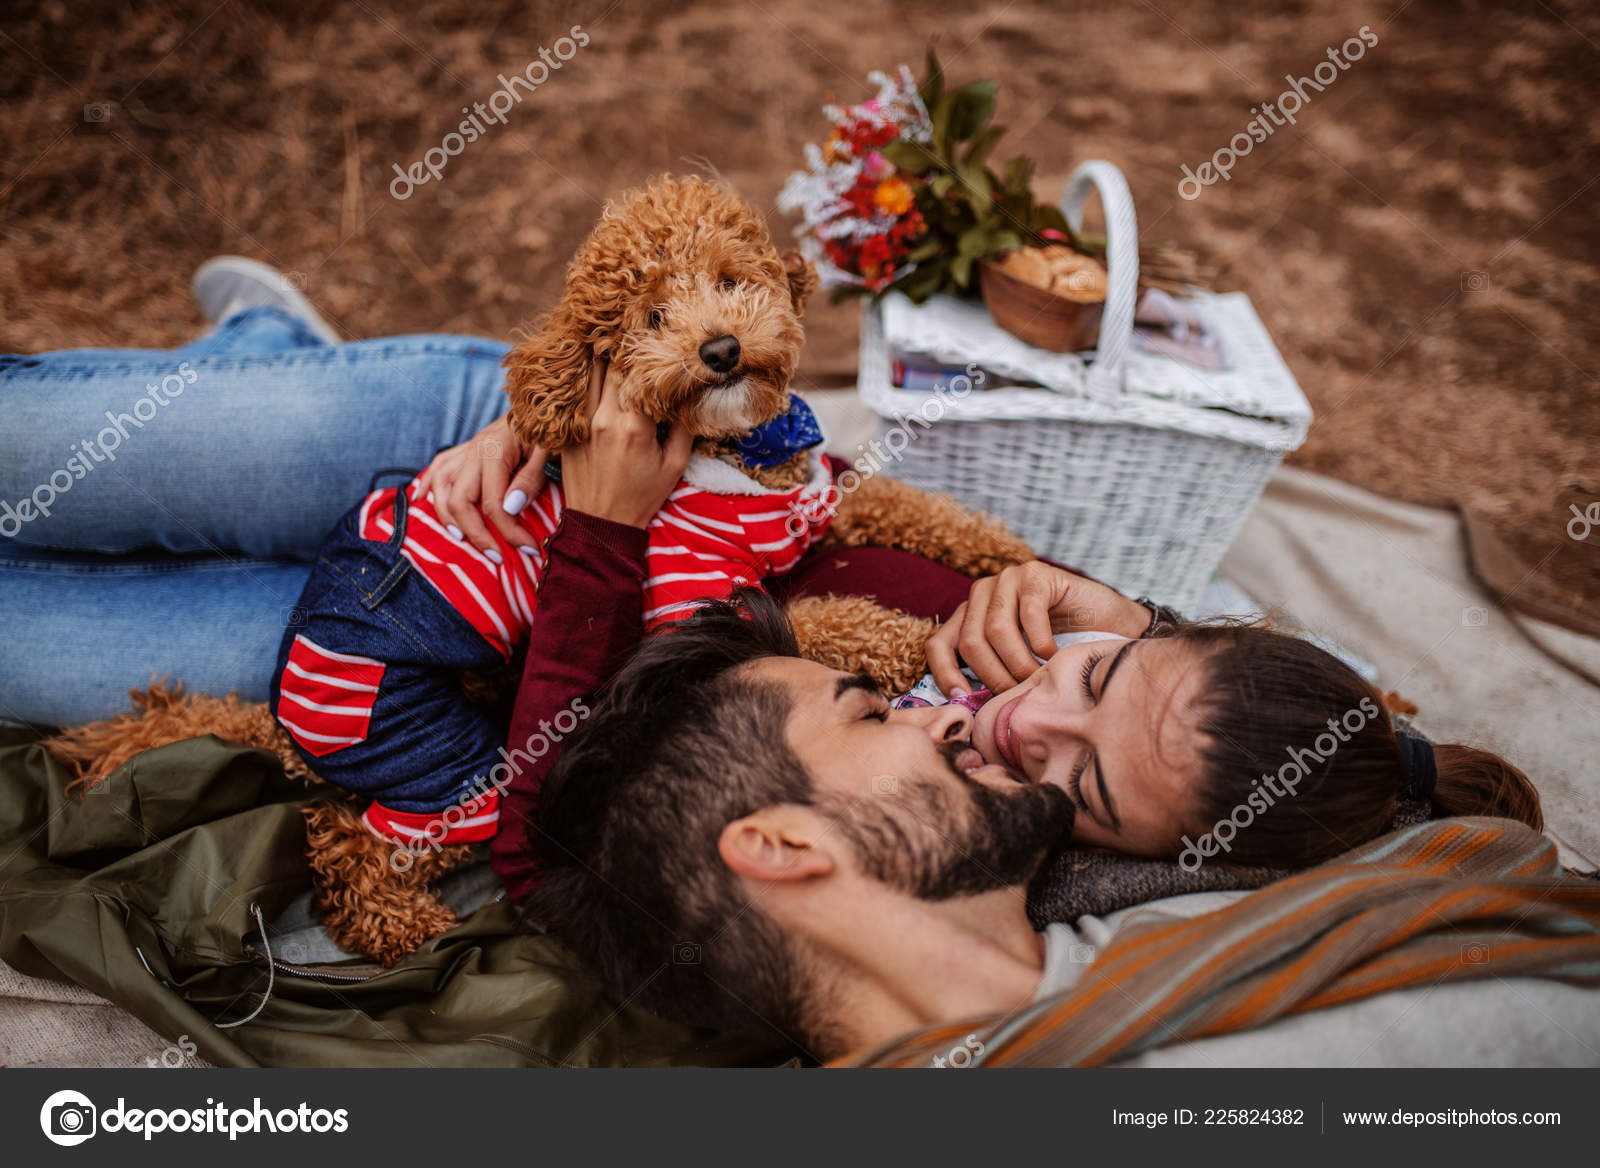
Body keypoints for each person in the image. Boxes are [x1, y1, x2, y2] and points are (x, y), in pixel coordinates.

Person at [519, 590, 1584, 1064]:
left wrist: (1144, 646)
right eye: (875, 712)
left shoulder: (1167, 880)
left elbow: (1349, 762)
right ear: (789, 844)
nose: (962, 711)